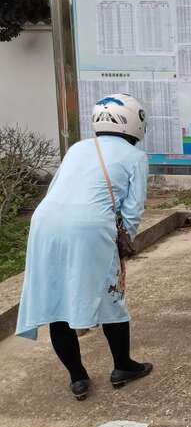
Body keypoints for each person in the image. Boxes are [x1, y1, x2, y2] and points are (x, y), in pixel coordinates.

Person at [15, 93, 153, 401]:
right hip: (90, 226)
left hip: (45, 223)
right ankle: (123, 366)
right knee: (111, 296)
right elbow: (132, 209)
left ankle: (78, 378)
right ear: (134, 122)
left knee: (57, 299)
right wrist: (124, 243)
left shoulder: (77, 148)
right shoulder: (135, 157)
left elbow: (56, 188)